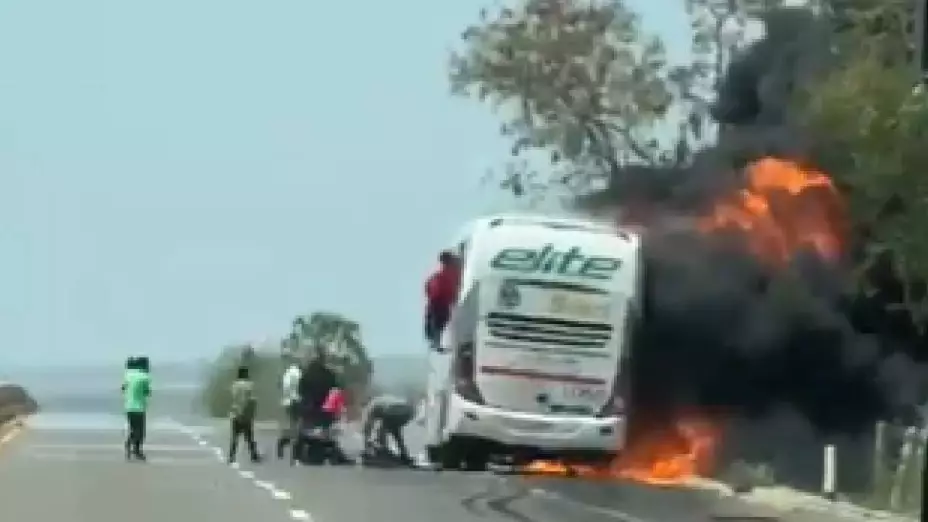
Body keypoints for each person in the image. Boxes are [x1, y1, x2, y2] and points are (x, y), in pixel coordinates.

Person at [291, 349, 339, 465]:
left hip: (309, 408)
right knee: (324, 433)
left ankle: (297, 456)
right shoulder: (330, 374)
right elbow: (334, 392)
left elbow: (301, 390)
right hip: (324, 411)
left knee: (303, 432)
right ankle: (326, 454)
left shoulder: (307, 374)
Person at [361, 394, 415, 466]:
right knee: (395, 432)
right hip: (409, 411)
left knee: (382, 429)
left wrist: (366, 448)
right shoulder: (383, 399)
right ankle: (404, 455)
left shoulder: (370, 406)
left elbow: (367, 427)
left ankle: (383, 451)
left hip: (394, 409)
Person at [425, 250, 461, 347]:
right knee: (437, 323)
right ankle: (436, 341)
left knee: (437, 323)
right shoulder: (446, 273)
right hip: (439, 301)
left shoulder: (449, 272)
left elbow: (428, 286)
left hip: (440, 302)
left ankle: (436, 342)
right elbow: (429, 286)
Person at [228, 365, 261, 464]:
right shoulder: (249, 385)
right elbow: (251, 399)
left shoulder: (234, 385)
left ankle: (231, 456)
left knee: (235, 437)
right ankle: (254, 455)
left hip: (236, 413)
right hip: (246, 414)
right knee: (249, 437)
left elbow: (233, 399)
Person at [121, 356, 151, 461]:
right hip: (139, 408)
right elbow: (147, 392)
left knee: (133, 428)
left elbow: (123, 388)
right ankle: (135, 449)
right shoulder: (145, 377)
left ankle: (130, 446)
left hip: (128, 407)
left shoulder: (128, 375)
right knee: (140, 431)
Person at [276, 358, 303, 459]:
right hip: (296, 402)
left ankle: (283, 443)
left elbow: (281, 386)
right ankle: (294, 451)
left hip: (287, 402)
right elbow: (301, 388)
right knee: (298, 427)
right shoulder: (298, 374)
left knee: (294, 426)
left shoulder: (286, 373)